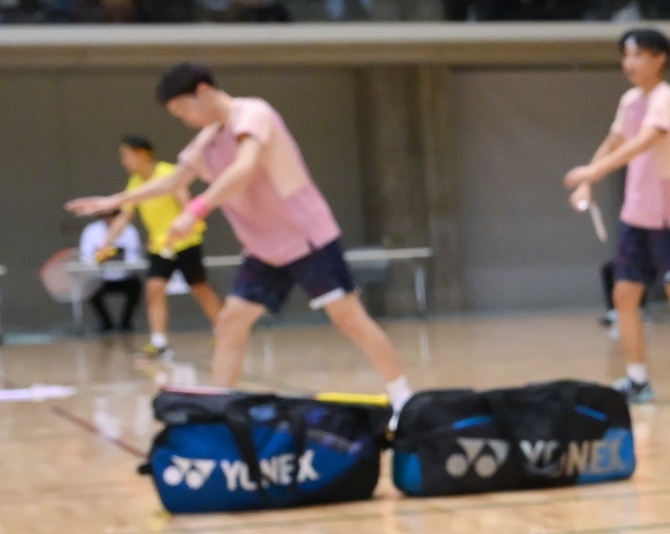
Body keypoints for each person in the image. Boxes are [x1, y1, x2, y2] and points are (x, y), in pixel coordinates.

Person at [64, 65, 413, 407]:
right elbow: (173, 180)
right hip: (263, 249)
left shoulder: (253, 113)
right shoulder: (207, 139)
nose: (185, 119)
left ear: (203, 91)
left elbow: (245, 168)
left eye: (184, 109)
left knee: (348, 318)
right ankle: (220, 406)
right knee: (231, 321)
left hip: (306, 238)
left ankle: (402, 397)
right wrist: (115, 200)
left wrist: (195, 210)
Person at [563, 28, 670, 404]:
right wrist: (588, 183)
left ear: (660, 59)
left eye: (638, 55)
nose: (629, 63)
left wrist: (595, 171)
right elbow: (615, 141)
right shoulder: (629, 100)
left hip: (667, 212)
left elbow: (644, 141)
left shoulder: (667, 98)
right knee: (625, 295)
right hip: (635, 212)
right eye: (626, 56)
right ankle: (637, 379)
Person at [88, 134, 224, 362]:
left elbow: (186, 204)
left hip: (185, 241)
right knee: (154, 288)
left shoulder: (168, 173)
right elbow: (125, 215)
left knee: (200, 288)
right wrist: (106, 242)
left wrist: (187, 225)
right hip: (159, 246)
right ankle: (159, 343)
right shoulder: (135, 182)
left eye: (126, 155)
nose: (123, 161)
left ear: (142, 154)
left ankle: (224, 331)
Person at [78, 212, 142, 334]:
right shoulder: (91, 231)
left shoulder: (130, 230)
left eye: (114, 216)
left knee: (136, 285)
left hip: (124, 276)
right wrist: (99, 257)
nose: (110, 219)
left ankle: (126, 323)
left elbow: (134, 256)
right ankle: (106, 324)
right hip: (100, 278)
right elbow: (85, 257)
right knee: (90, 288)